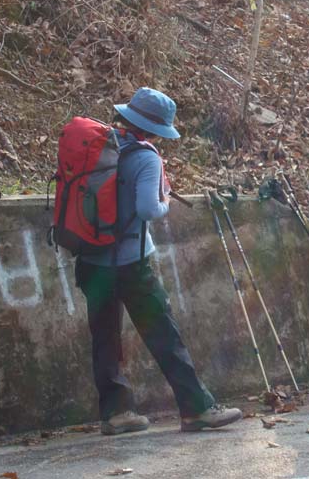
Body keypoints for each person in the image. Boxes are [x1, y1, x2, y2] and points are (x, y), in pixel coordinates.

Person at [75, 87, 242, 435]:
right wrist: (166, 200)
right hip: (130, 264)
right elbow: (149, 210)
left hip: (91, 260)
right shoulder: (147, 157)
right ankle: (197, 409)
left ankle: (115, 414)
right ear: (154, 130)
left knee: (105, 338)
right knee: (164, 334)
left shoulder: (100, 145)